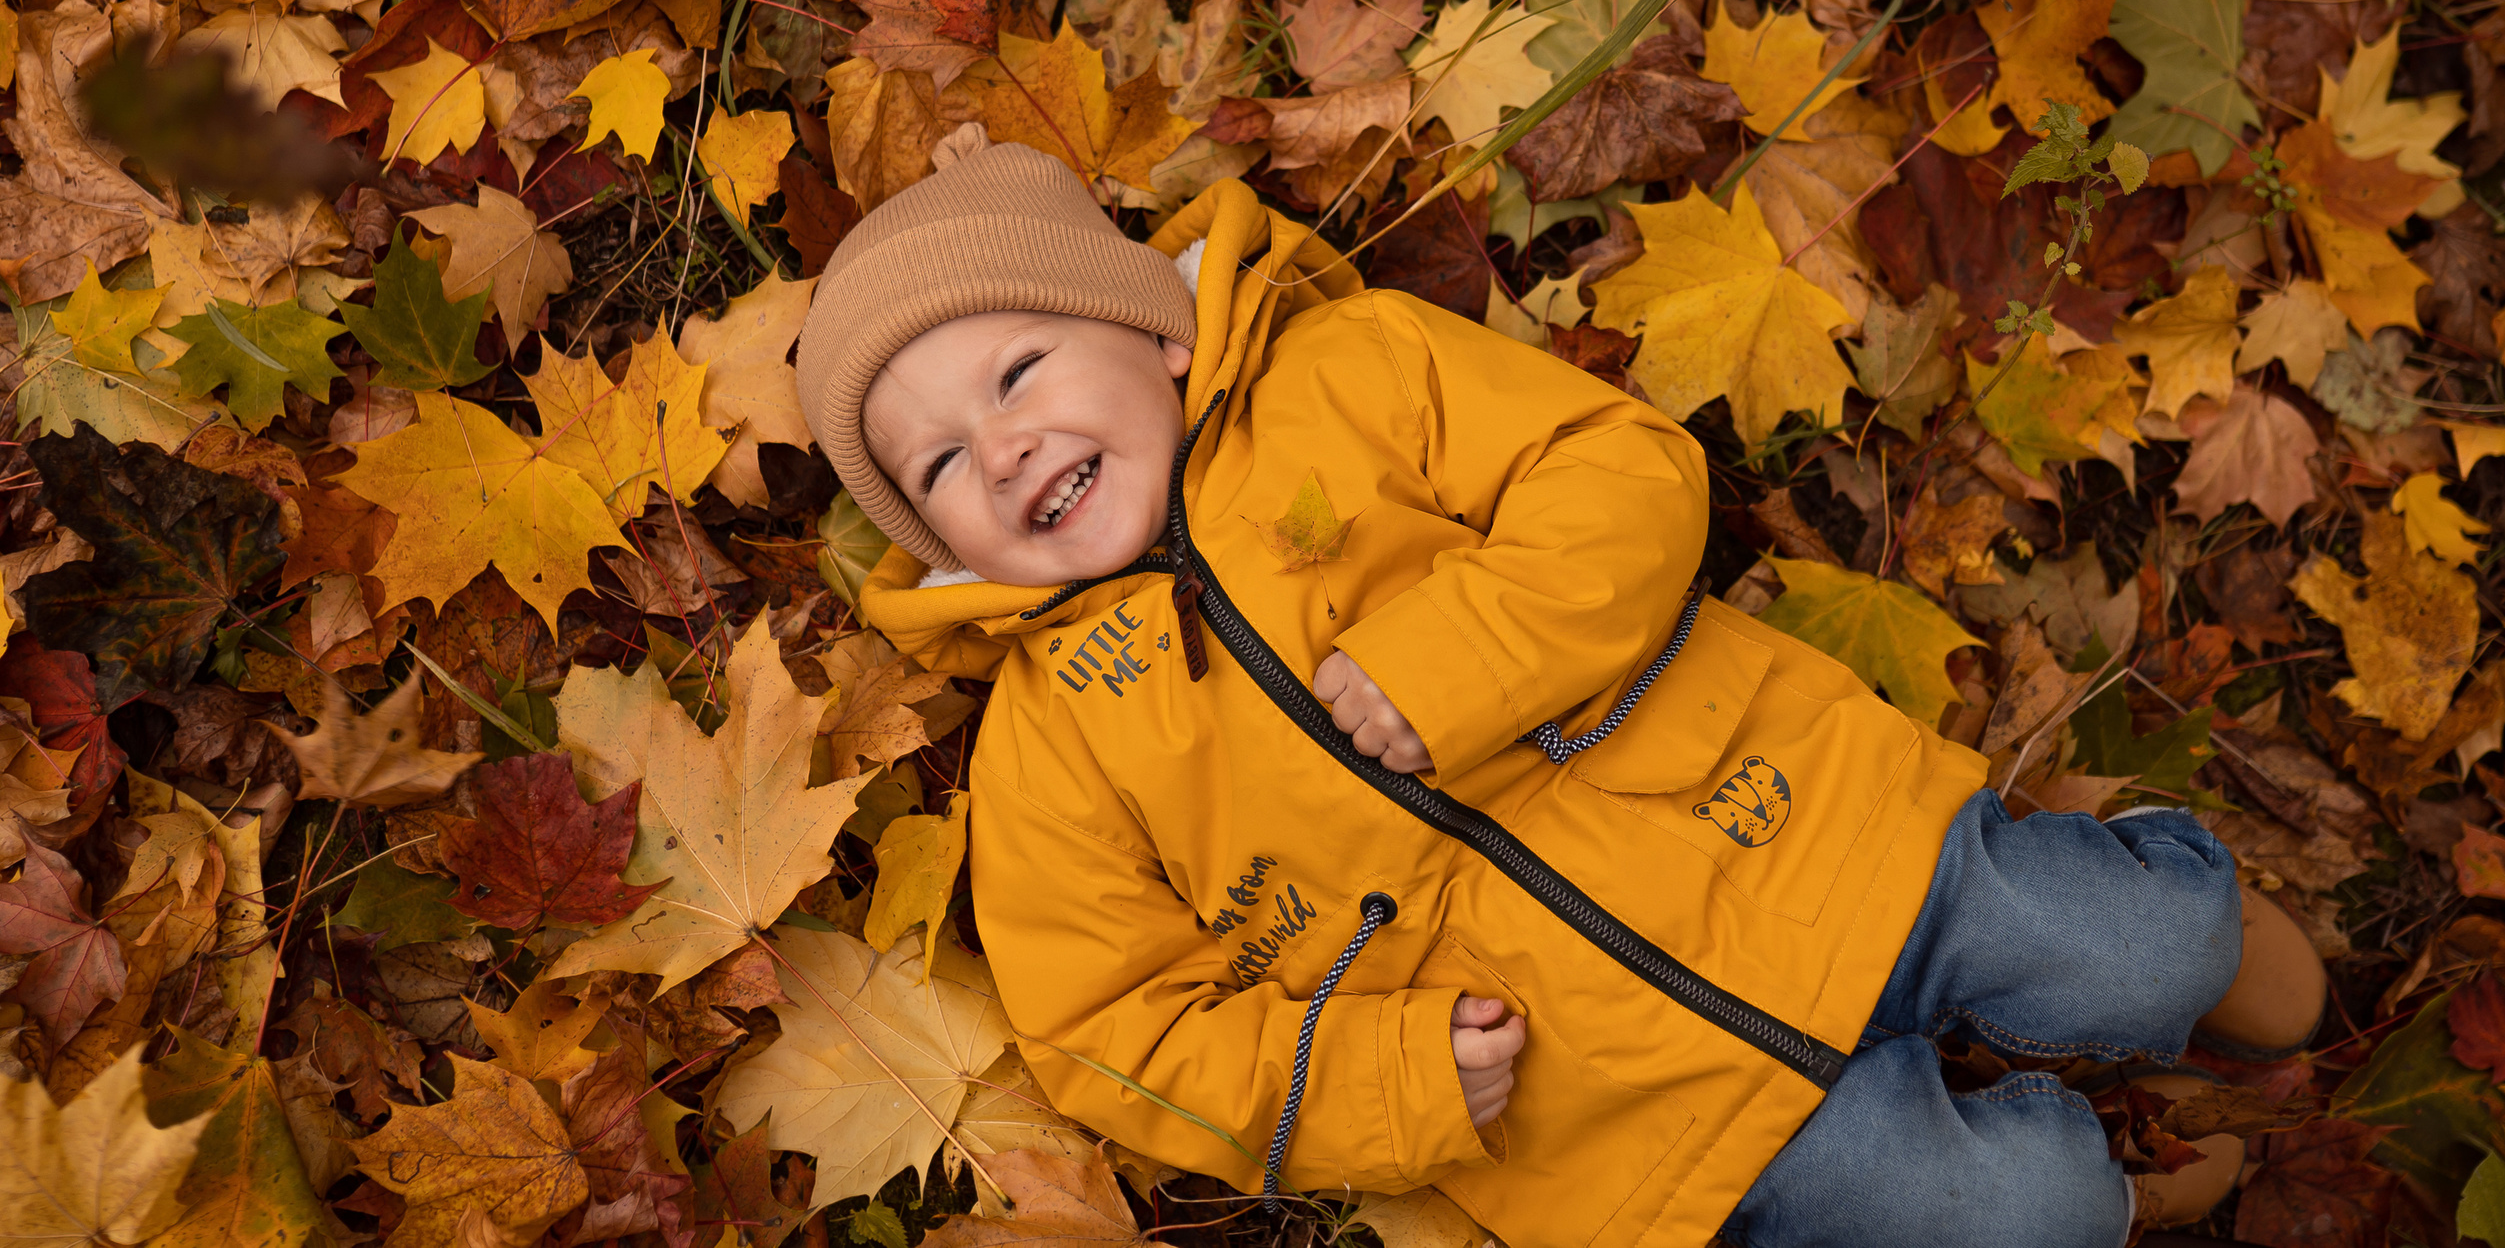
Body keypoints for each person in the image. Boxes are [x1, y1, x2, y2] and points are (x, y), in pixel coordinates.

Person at [798, 130, 2325, 1248]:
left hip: (1804, 838)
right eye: (937, 466)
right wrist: (1381, 1084)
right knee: (2031, 1218)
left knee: (2153, 941)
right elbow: (1107, 1029)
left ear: (1157, 326)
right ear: (939, 540)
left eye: (1017, 373)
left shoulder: (1353, 373)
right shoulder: (1051, 747)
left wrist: (1459, 653)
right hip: (1618, 1112)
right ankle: (2108, 1160)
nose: (1000, 449)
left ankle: (2156, 952)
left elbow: (1622, 475)